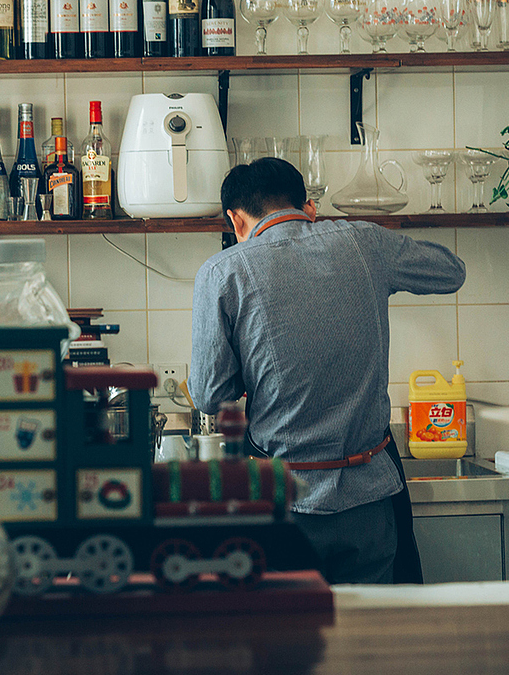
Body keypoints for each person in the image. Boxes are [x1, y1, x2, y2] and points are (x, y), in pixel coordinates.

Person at [188, 157, 466, 584]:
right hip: (370, 497)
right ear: (308, 206)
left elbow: (210, 394)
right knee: (367, 640)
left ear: (235, 219)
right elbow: (451, 272)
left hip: (283, 507)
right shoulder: (364, 241)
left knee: (290, 641)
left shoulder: (222, 272)